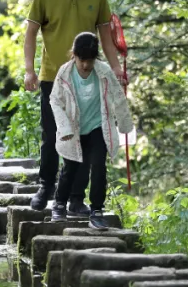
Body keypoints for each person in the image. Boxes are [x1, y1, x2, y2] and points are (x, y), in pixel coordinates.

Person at [24, 0, 126, 214]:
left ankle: (73, 198)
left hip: (86, 79)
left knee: (82, 137)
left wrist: (116, 68)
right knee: (52, 133)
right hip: (52, 77)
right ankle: (46, 185)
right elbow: (31, 33)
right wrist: (29, 70)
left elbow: (106, 37)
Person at [48, 32, 133, 230]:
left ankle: (96, 210)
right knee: (70, 168)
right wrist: (65, 127)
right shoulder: (65, 73)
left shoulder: (103, 72)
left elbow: (118, 97)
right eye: (81, 60)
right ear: (74, 55)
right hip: (74, 128)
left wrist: (124, 124)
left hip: (97, 127)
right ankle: (59, 205)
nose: (85, 65)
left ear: (96, 58)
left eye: (90, 61)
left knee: (98, 167)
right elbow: (55, 101)